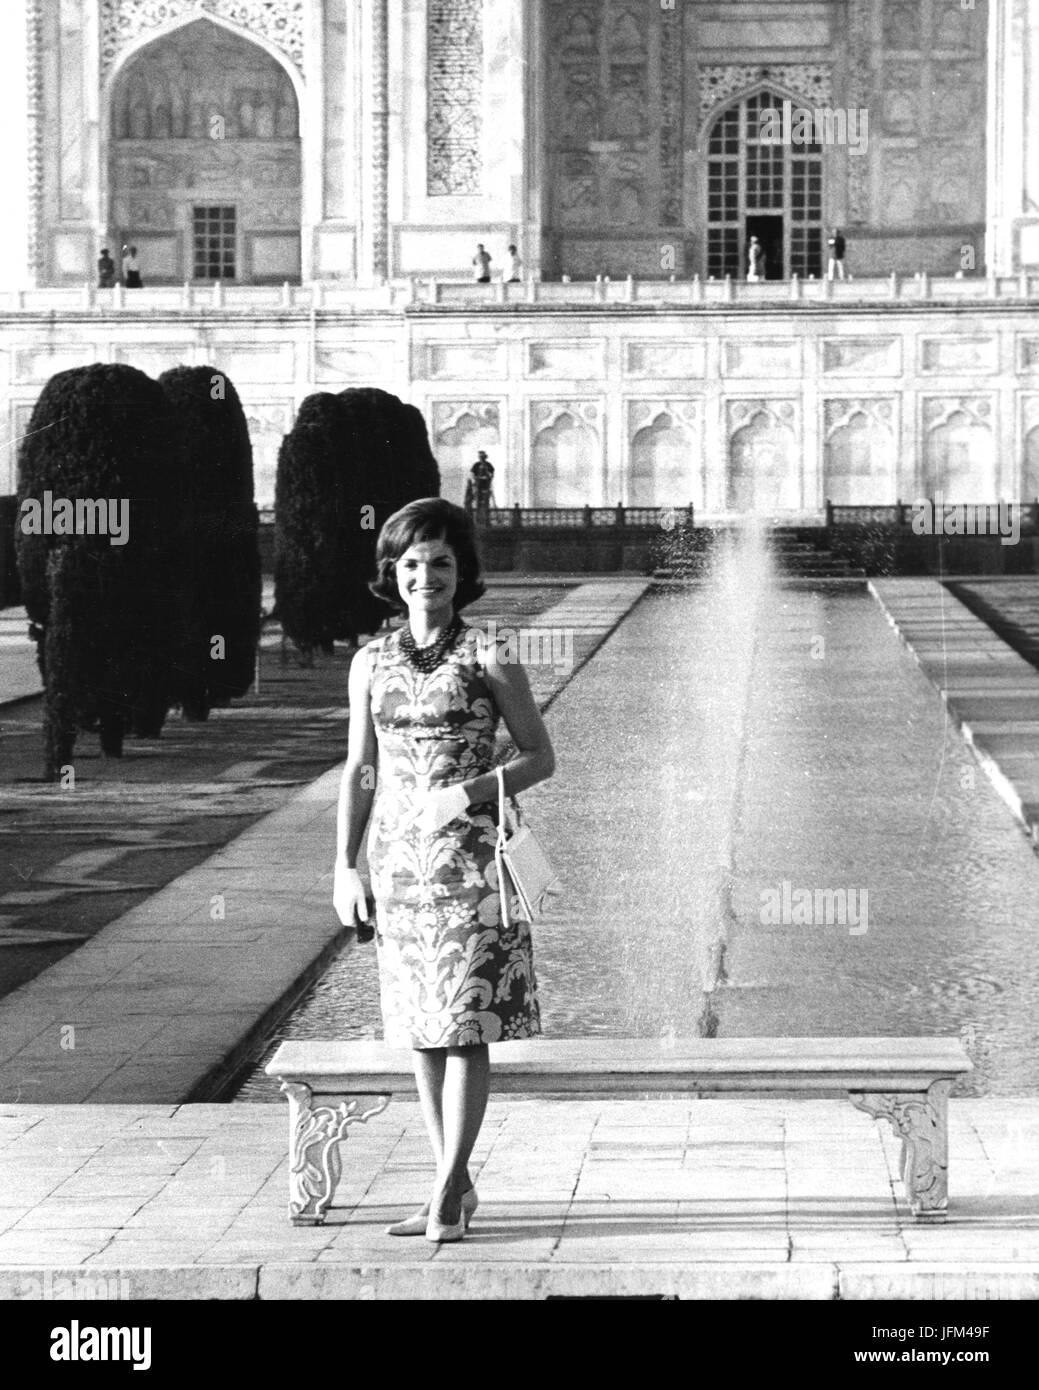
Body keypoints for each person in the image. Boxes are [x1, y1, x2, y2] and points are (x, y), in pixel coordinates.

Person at [333, 498, 555, 1243]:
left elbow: (539, 756)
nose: (425, 575)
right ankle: (449, 1186)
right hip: (398, 863)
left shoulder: (489, 654)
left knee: (465, 1024)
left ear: (462, 575)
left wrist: (466, 791)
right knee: (421, 1031)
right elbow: (359, 769)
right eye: (411, 564)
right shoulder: (371, 661)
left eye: (440, 563)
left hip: (471, 862)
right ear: (391, 575)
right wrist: (344, 866)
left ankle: (444, 1191)